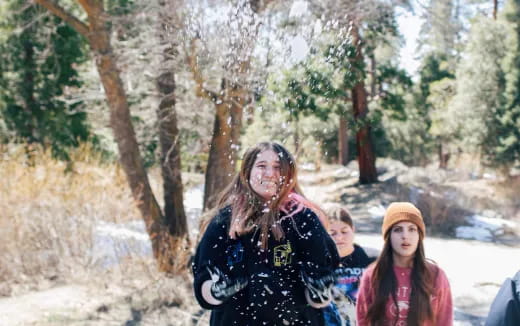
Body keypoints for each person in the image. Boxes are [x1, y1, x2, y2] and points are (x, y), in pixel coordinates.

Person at [192, 142, 340, 326]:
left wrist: (319, 288)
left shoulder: (303, 221)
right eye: (261, 166)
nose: (270, 173)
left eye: (278, 167)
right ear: (247, 172)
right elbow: (203, 293)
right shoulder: (224, 221)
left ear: (288, 174)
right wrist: (218, 289)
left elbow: (320, 297)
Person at [356, 202, 453, 326]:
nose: (405, 236)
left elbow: (445, 321)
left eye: (412, 229)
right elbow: (363, 321)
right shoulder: (372, 275)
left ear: (419, 235)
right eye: (398, 230)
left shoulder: (436, 276)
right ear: (388, 236)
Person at [323, 206, 375, 326]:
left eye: (344, 231)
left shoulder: (372, 259)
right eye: (332, 233)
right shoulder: (318, 263)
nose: (339, 237)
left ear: (353, 229)